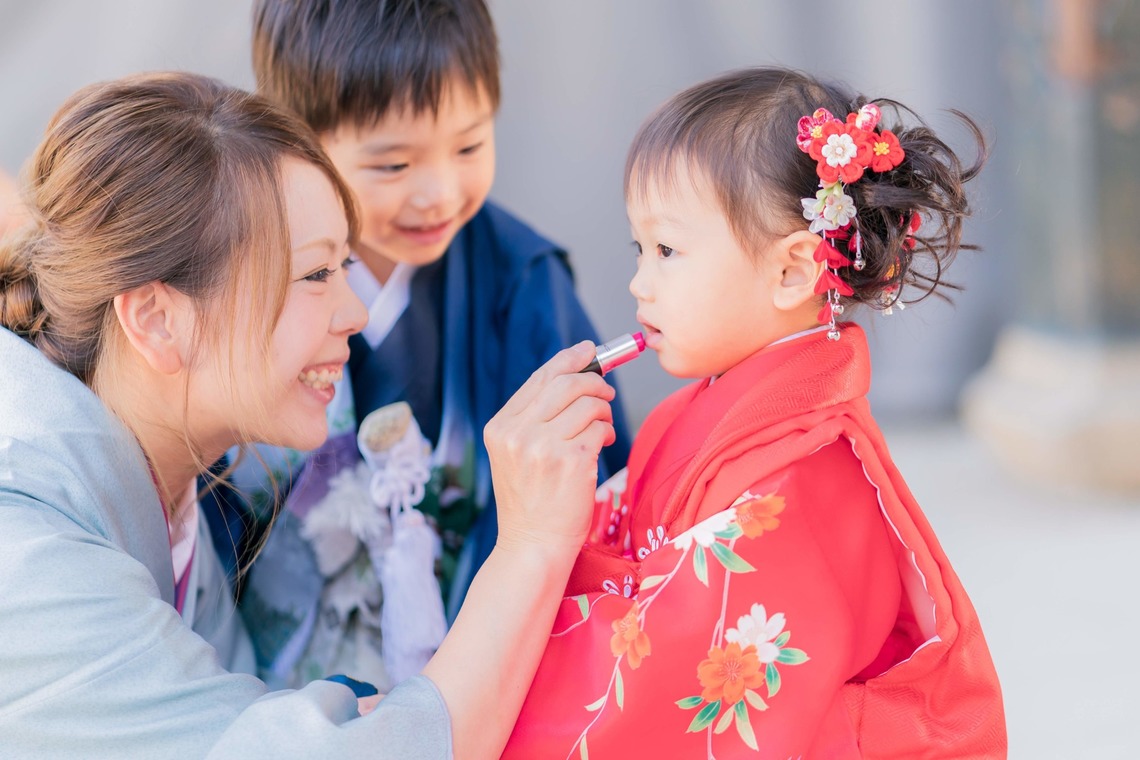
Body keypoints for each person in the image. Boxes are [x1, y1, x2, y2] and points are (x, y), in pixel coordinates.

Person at [0, 71, 615, 759]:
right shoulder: (22, 542)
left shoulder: (159, 495)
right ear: (157, 319)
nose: (353, 313)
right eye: (317, 275)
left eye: (346, 267)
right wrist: (530, 543)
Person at [502, 67, 1007, 758]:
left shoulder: (807, 475)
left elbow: (681, 671)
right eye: (639, 248)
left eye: (667, 251)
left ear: (793, 271)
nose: (638, 282)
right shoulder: (699, 413)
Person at [208, 0, 633, 693]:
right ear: (297, 143)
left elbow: (594, 472)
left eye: (469, 146)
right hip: (277, 681)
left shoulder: (520, 279)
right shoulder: (243, 274)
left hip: (485, 658)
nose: (438, 193)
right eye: (393, 164)